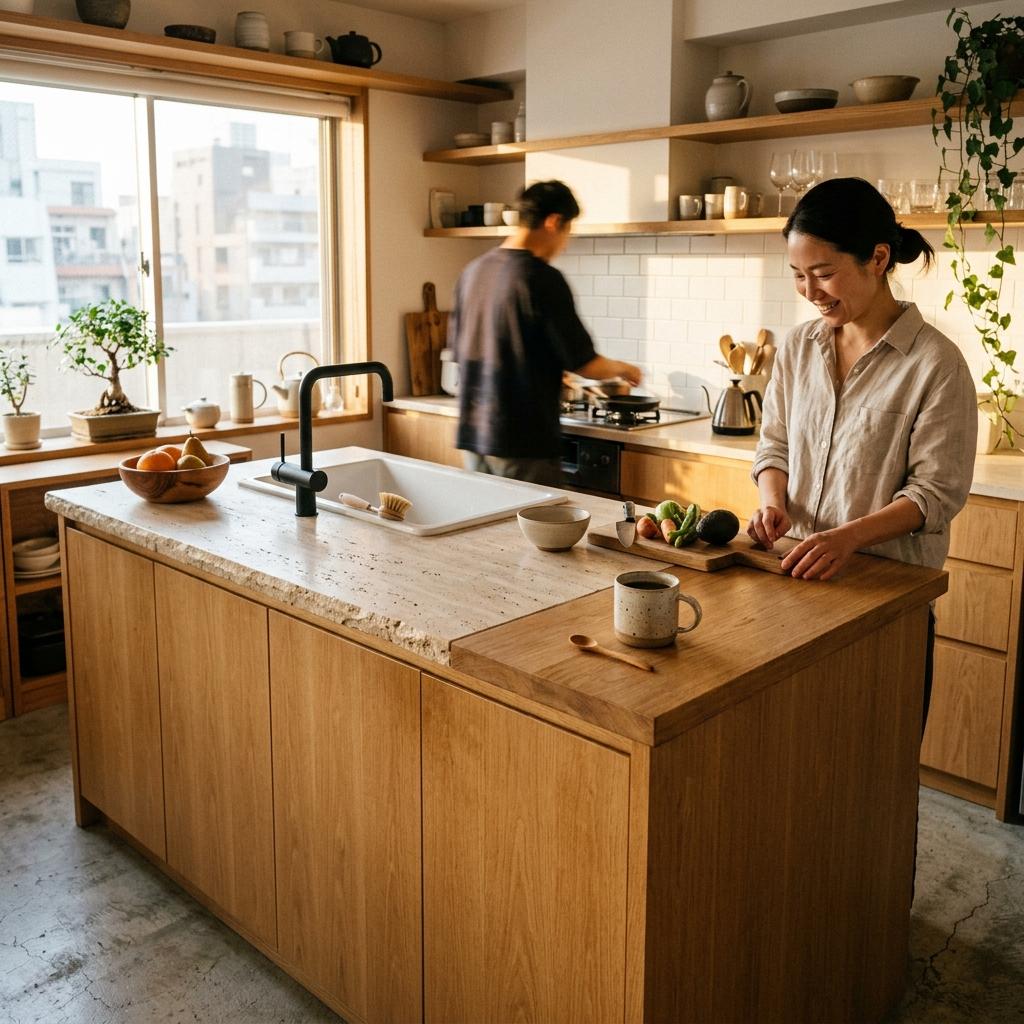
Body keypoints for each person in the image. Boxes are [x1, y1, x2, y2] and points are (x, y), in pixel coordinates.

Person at [748, 176, 977, 722]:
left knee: (876, 771)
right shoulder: (798, 347)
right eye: (799, 276)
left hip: (885, 600)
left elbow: (935, 495)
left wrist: (847, 538)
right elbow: (774, 443)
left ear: (878, 258)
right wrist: (772, 500)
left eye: (824, 273)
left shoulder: (936, 365)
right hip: (796, 582)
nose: (810, 290)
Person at [450, 180, 642, 485]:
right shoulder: (541, 278)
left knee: (487, 532)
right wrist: (626, 369)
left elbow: (468, 351)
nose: (565, 244)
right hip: (523, 443)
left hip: (474, 436)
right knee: (535, 532)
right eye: (568, 232)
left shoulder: (473, 271)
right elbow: (585, 363)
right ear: (554, 222)